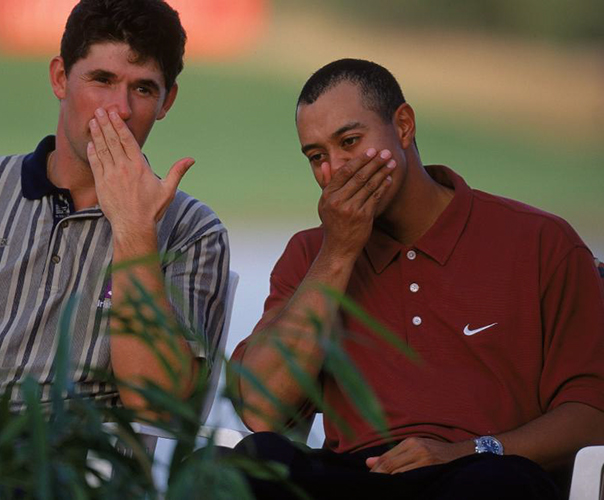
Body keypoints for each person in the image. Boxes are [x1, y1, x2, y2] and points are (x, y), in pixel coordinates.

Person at [0, 0, 229, 495]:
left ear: (167, 102)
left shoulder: (193, 230)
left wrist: (134, 231)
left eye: (142, 88)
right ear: (61, 78)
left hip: (55, 462)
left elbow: (159, 405)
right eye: (101, 79)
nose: (119, 109)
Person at [230, 59, 604, 499]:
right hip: (356, 475)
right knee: (237, 466)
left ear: (403, 126)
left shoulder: (541, 241)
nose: (335, 171)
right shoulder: (313, 254)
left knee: (496, 486)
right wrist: (339, 251)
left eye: (350, 141)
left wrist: (469, 451)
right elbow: (260, 409)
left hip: (484, 470)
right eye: (317, 157)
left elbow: (592, 414)